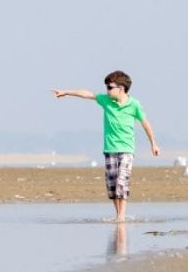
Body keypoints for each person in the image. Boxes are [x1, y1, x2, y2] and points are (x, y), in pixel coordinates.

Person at [53, 71, 160, 222]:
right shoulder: (105, 100)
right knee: (112, 186)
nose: (107, 90)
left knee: (122, 182)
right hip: (109, 149)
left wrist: (153, 143)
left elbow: (145, 124)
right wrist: (66, 92)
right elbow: (86, 94)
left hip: (127, 149)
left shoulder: (134, 104)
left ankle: (122, 216)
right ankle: (118, 215)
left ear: (121, 88)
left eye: (110, 87)